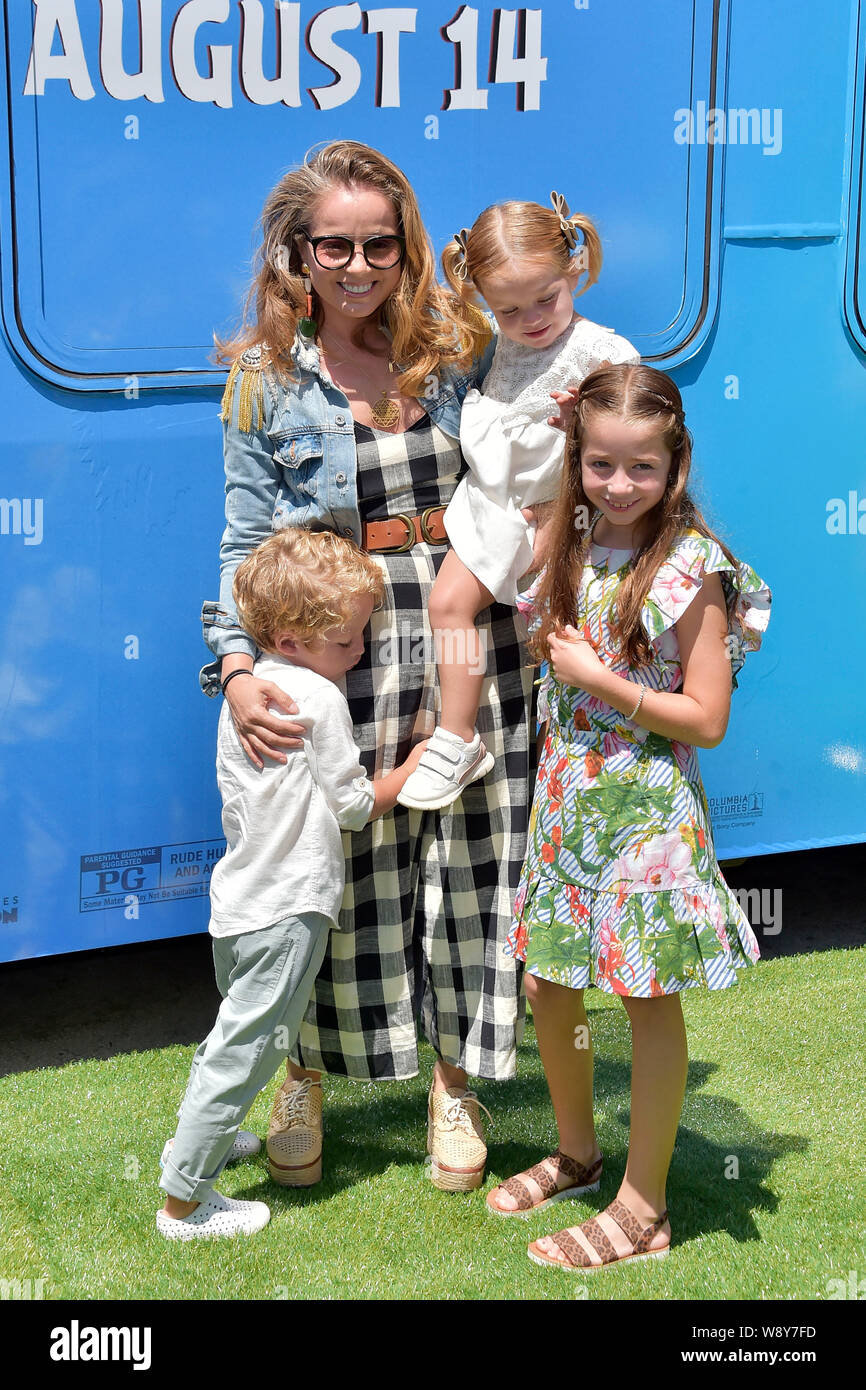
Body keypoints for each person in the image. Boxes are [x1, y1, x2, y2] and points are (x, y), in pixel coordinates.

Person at [200, 141, 534, 1194]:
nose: (355, 265)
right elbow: (243, 539)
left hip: (467, 630)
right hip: (333, 647)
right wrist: (237, 667)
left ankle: (453, 1083)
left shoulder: (459, 346)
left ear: (406, 245)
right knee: (331, 873)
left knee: (475, 865)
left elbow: (540, 453)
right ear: (297, 251)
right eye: (331, 244)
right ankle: (303, 1072)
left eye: (377, 243)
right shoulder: (263, 379)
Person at [485, 365, 771, 1269]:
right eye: (600, 463)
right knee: (549, 984)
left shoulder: (693, 568)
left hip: (645, 813)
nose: (618, 485)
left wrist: (602, 684)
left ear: (675, 463)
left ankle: (644, 1209)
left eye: (640, 467)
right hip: (569, 797)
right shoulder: (567, 539)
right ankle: (579, 1153)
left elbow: (709, 719)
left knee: (645, 997)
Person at [159, 529, 431, 1239]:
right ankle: (185, 1201)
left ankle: (206, 1142)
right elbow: (351, 805)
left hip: (239, 903)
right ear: (290, 636)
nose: (362, 652)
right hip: (289, 909)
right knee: (246, 1051)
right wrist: (415, 766)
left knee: (230, 1040)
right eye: (347, 641)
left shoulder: (242, 696)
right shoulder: (317, 697)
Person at [397, 193, 639, 812]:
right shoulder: (496, 344)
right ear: (484, 300)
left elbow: (637, 449)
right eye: (508, 309)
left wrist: (580, 433)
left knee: (559, 644)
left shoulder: (605, 353)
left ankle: (593, 770)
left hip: (560, 512)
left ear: (575, 272)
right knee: (447, 604)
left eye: (546, 298)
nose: (531, 319)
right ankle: (457, 736)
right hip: (492, 501)